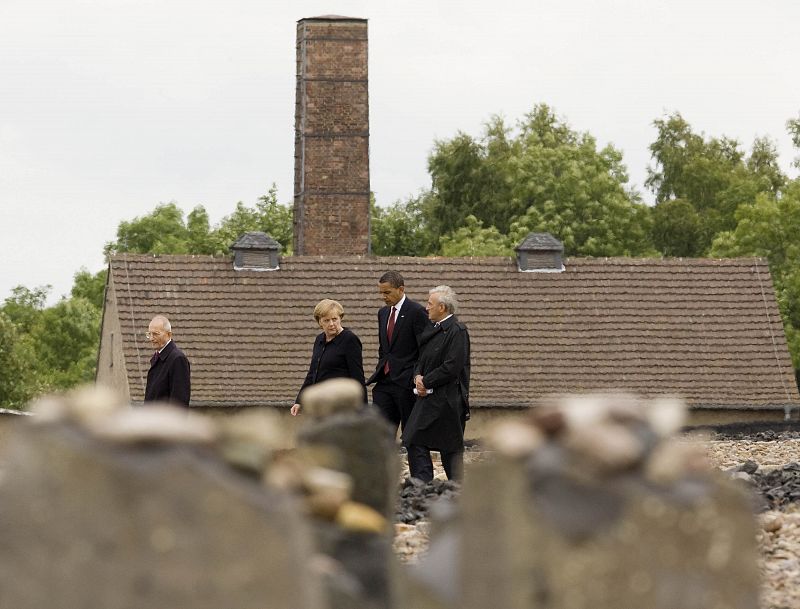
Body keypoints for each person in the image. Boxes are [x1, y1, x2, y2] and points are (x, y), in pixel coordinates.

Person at [402, 285, 470, 482]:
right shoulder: (432, 330)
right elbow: (421, 359)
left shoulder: (457, 331)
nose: (426, 308)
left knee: (450, 449)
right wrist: (417, 377)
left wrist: (427, 381)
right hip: (429, 397)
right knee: (413, 437)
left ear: (442, 307)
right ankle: (423, 484)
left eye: (430, 304)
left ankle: (458, 490)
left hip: (448, 400)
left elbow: (452, 366)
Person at [366, 271, 429, 433]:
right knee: (379, 435)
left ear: (401, 289)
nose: (383, 297)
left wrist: (415, 376)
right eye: (381, 293)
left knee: (410, 436)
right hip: (384, 382)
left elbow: (425, 350)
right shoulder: (383, 313)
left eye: (387, 292)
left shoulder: (417, 312)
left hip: (406, 384)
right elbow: (384, 348)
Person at [291, 299, 367, 416]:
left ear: (340, 318)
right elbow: (312, 373)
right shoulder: (319, 340)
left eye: (334, 319)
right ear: (319, 322)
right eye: (326, 320)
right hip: (322, 404)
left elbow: (357, 376)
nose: (331, 324)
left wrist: (362, 410)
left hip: (341, 405)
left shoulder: (349, 339)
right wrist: (299, 401)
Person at [144, 315, 191, 406]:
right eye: (149, 334)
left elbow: (179, 404)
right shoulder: (158, 358)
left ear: (169, 334)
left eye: (156, 334)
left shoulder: (177, 359)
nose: (151, 338)